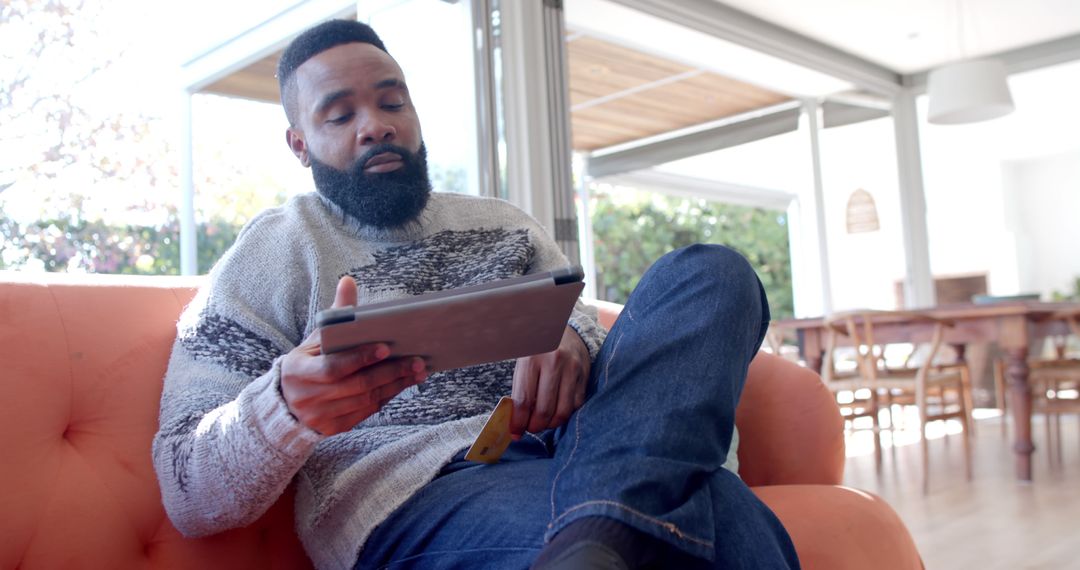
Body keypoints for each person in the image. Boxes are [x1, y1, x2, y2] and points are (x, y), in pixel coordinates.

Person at [152, 19, 798, 570]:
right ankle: (614, 531)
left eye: (391, 103)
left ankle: (598, 539)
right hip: (419, 492)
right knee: (726, 527)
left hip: (590, 453)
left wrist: (575, 337)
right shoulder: (271, 252)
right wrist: (285, 406)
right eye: (340, 114)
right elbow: (188, 487)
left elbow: (623, 363)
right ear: (300, 145)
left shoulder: (504, 223)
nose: (374, 126)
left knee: (713, 273)